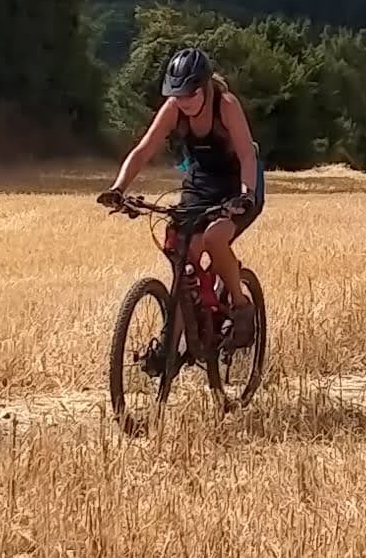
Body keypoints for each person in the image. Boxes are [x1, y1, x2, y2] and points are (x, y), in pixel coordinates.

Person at [99, 45, 264, 346]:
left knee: (214, 238)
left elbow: (247, 156)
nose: (182, 101)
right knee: (181, 252)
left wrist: (246, 194)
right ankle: (172, 344)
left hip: (238, 183)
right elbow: (143, 150)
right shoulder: (174, 108)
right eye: (176, 95)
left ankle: (241, 307)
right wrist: (118, 189)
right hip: (201, 185)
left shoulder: (225, 105)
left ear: (203, 87)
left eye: (189, 94)